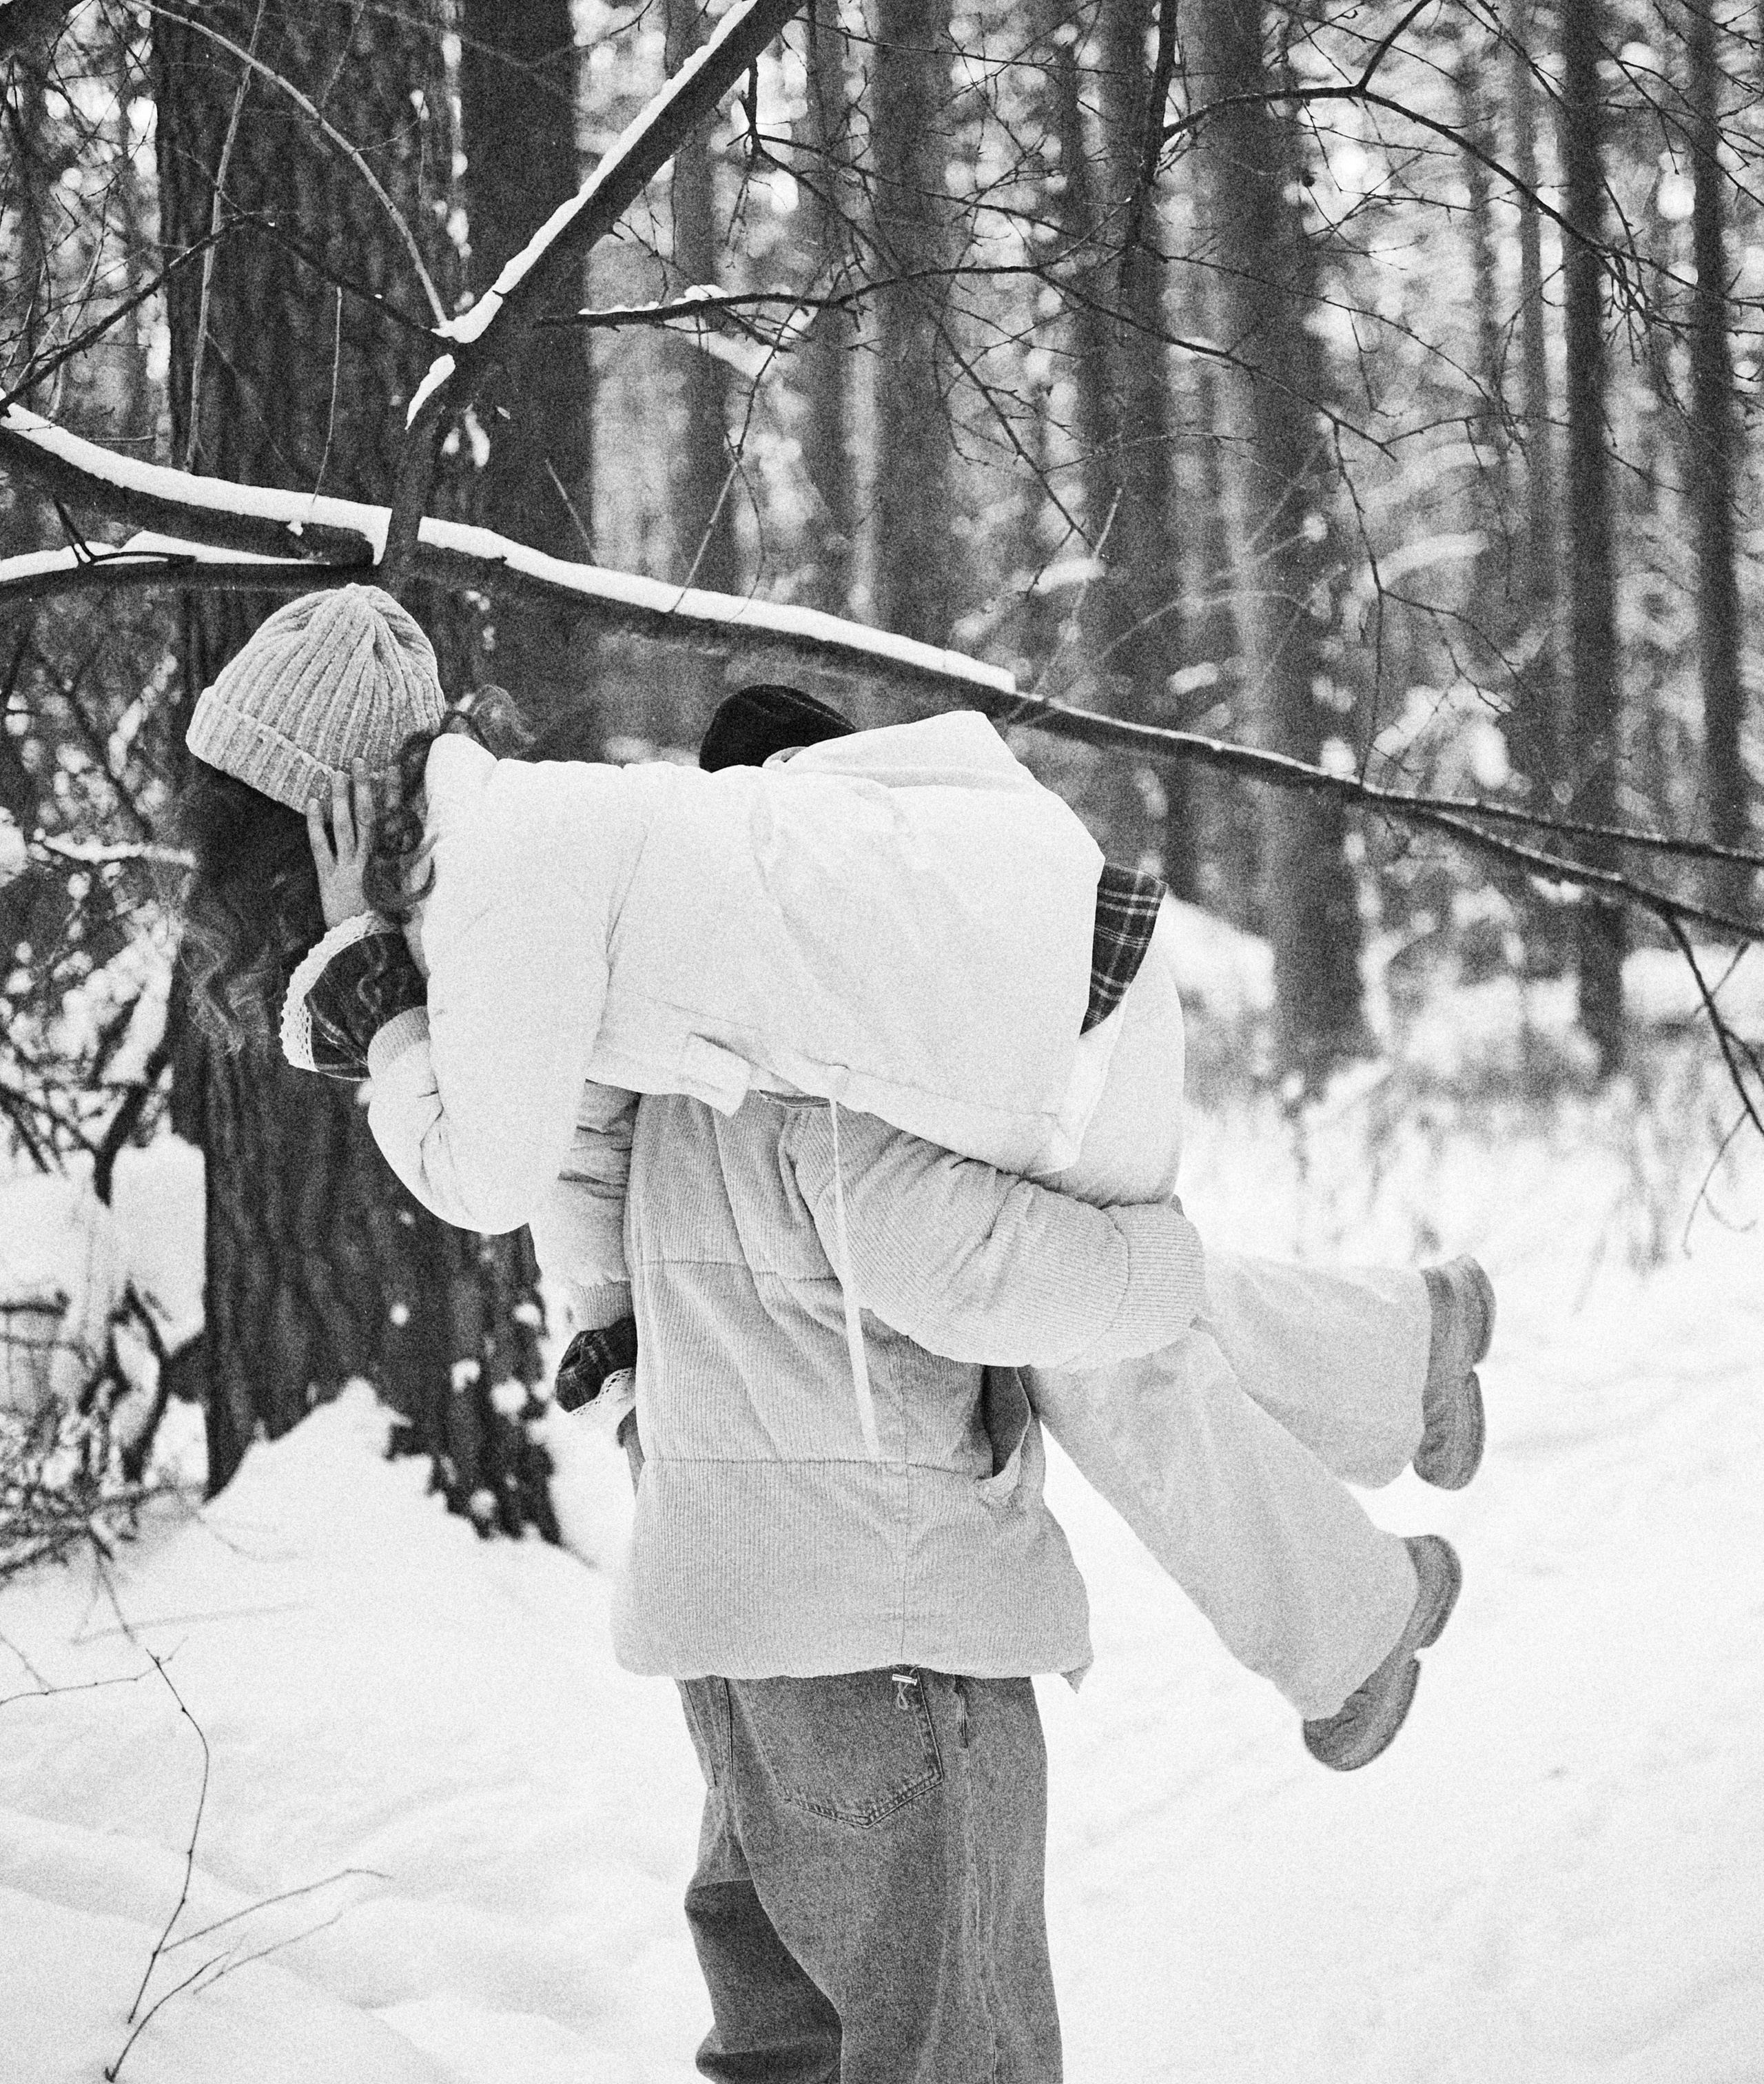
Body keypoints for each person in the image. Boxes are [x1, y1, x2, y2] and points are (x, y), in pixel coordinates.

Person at [178, 584, 1495, 1768]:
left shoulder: (500, 874)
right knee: (1064, 1314)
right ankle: (1398, 1382)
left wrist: (372, 989)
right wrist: (611, 1318)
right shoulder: (519, 849)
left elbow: (484, 1169)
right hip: (1050, 1001)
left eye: (248, 845)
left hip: (1063, 1025)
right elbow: (590, 1124)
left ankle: (1360, 1610)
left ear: (324, 812)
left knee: (1096, 1349)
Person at [615, 1070, 1197, 2084]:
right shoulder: (832, 1085)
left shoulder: (667, 1076)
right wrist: (1172, 1256)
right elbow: (1012, 1281)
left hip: (729, 1614)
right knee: (957, 2062)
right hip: (885, 1624)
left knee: (788, 2031)